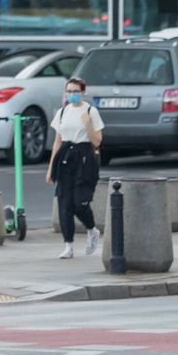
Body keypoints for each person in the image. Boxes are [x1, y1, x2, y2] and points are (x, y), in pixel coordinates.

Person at [46, 77, 104, 259]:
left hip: (85, 156)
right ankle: (68, 245)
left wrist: (87, 124)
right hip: (65, 156)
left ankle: (92, 230)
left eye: (75, 91)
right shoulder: (62, 112)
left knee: (80, 203)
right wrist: (50, 168)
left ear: (83, 92)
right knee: (65, 204)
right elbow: (57, 141)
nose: (72, 95)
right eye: (69, 91)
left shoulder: (90, 111)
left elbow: (97, 141)